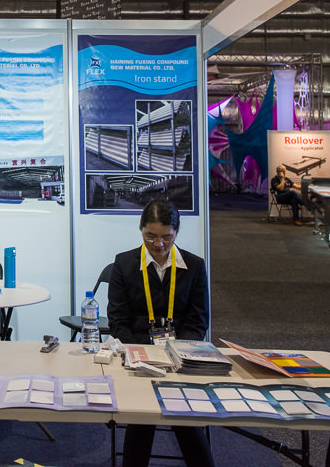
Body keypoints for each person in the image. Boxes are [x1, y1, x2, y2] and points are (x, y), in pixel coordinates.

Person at [108, 199, 214, 467]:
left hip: (181, 357)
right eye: (150, 236)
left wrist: (175, 354)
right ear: (141, 228)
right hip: (139, 358)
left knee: (183, 416)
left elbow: (198, 320)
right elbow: (118, 321)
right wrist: (147, 354)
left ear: (177, 232)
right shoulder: (124, 264)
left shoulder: (195, 266)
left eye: (167, 237)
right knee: (142, 417)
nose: (159, 244)